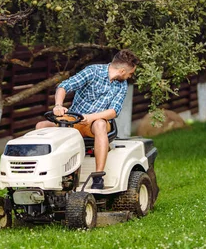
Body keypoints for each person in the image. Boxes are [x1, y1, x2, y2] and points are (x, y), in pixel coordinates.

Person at [35, 49, 139, 189]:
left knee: (100, 124)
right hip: (75, 121)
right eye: (130, 73)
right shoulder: (92, 71)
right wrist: (58, 106)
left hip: (96, 123)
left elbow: (113, 111)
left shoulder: (122, 86)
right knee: (41, 126)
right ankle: (44, 172)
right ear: (121, 71)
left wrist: (90, 118)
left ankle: (98, 177)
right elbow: (63, 86)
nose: (129, 77)